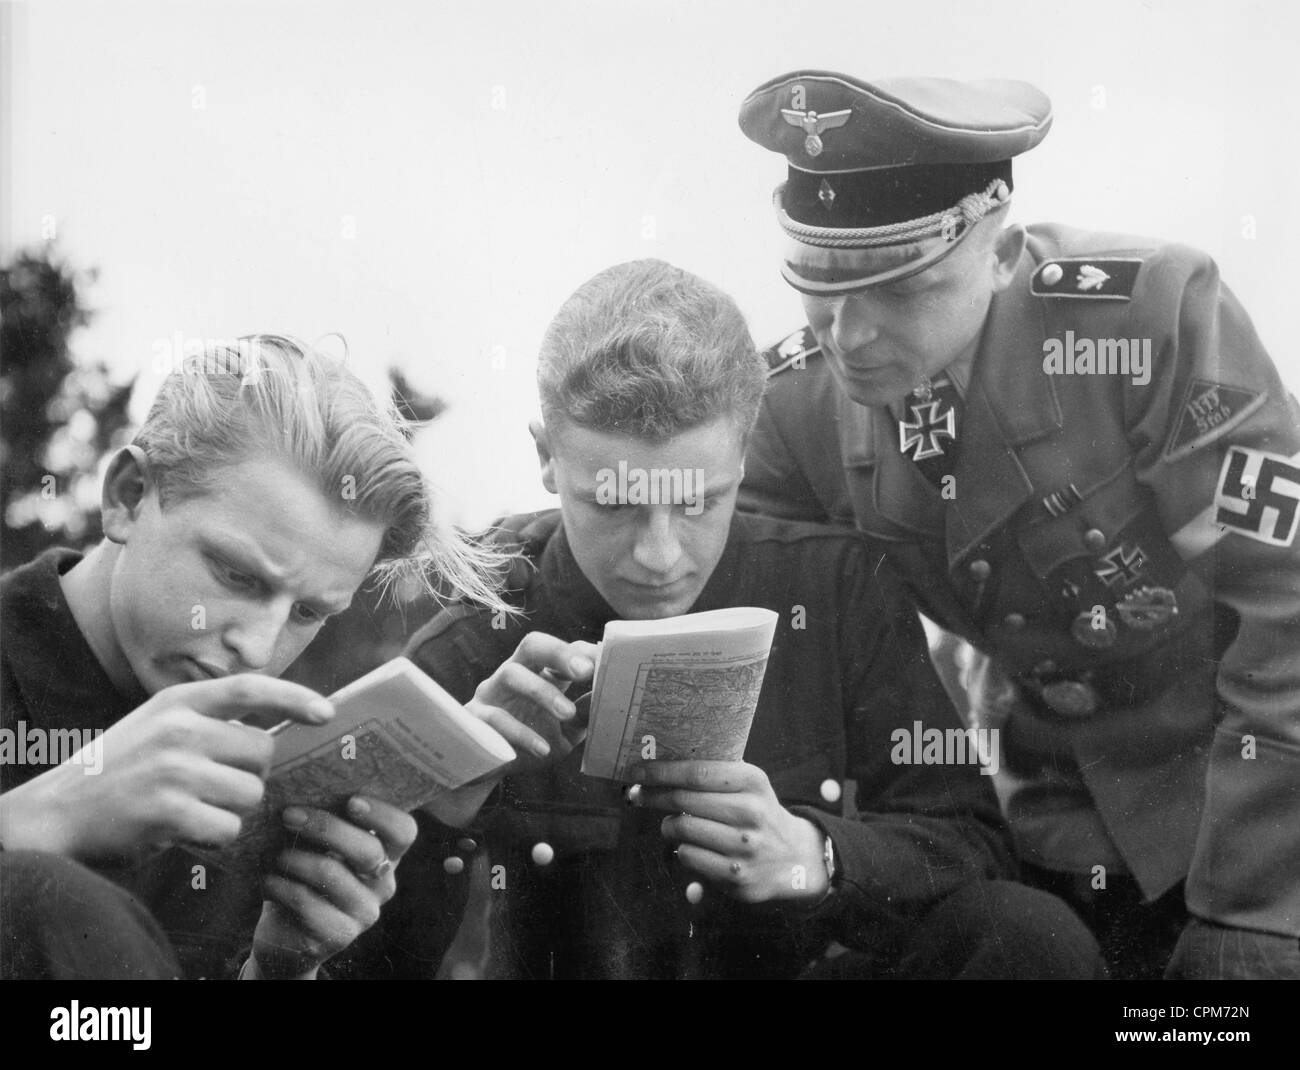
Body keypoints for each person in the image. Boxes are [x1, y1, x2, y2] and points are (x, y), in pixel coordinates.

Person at [357, 259, 1104, 980]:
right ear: (548, 458)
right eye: (613, 504)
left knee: (1028, 938)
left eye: (696, 502)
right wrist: (444, 804)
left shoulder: (839, 586)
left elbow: (973, 841)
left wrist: (819, 854)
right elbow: (358, 966)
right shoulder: (466, 645)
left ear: (744, 454)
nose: (657, 555)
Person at [733, 70, 1300, 979]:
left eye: (901, 291)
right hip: (1044, 814)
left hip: (1245, 803)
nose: (851, 335)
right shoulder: (796, 410)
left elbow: (1290, 604)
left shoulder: (1145, 319)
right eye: (824, 288)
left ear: (1000, 252)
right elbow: (762, 616)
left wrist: (1258, 909)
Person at [0, 334, 544, 980]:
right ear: (127, 495)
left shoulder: (269, 783)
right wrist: (43, 817)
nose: (257, 648)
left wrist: (278, 968)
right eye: (236, 575)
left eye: (308, 612)